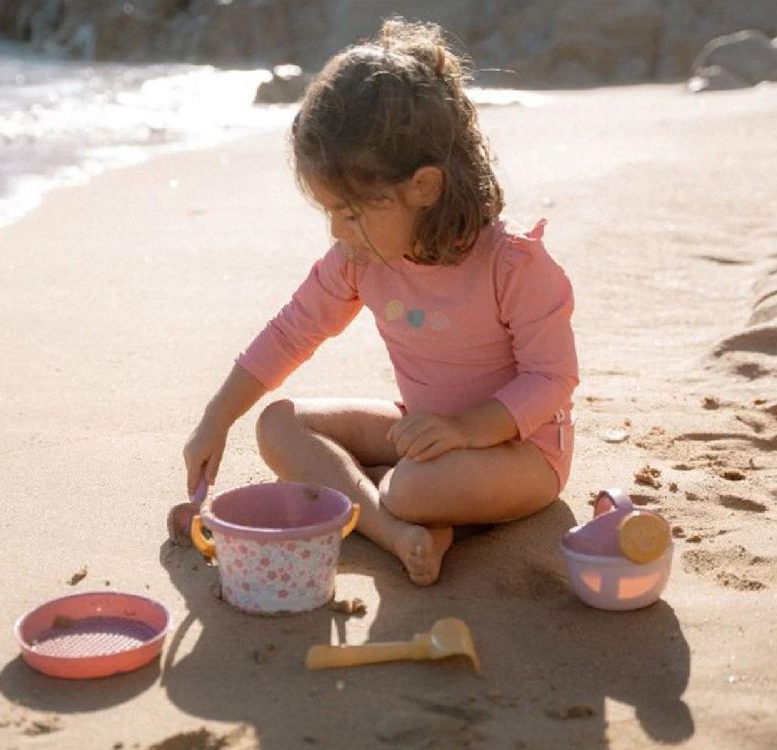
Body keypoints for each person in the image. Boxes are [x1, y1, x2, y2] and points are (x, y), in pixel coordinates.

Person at [183, 18, 578, 586]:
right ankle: (399, 531)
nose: (338, 232)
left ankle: (379, 502)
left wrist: (468, 429)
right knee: (278, 425)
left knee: (412, 485)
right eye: (330, 214)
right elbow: (291, 332)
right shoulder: (360, 257)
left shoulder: (512, 263)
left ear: (423, 187)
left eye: (350, 213)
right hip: (423, 432)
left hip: (522, 454)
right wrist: (215, 420)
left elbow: (553, 379)